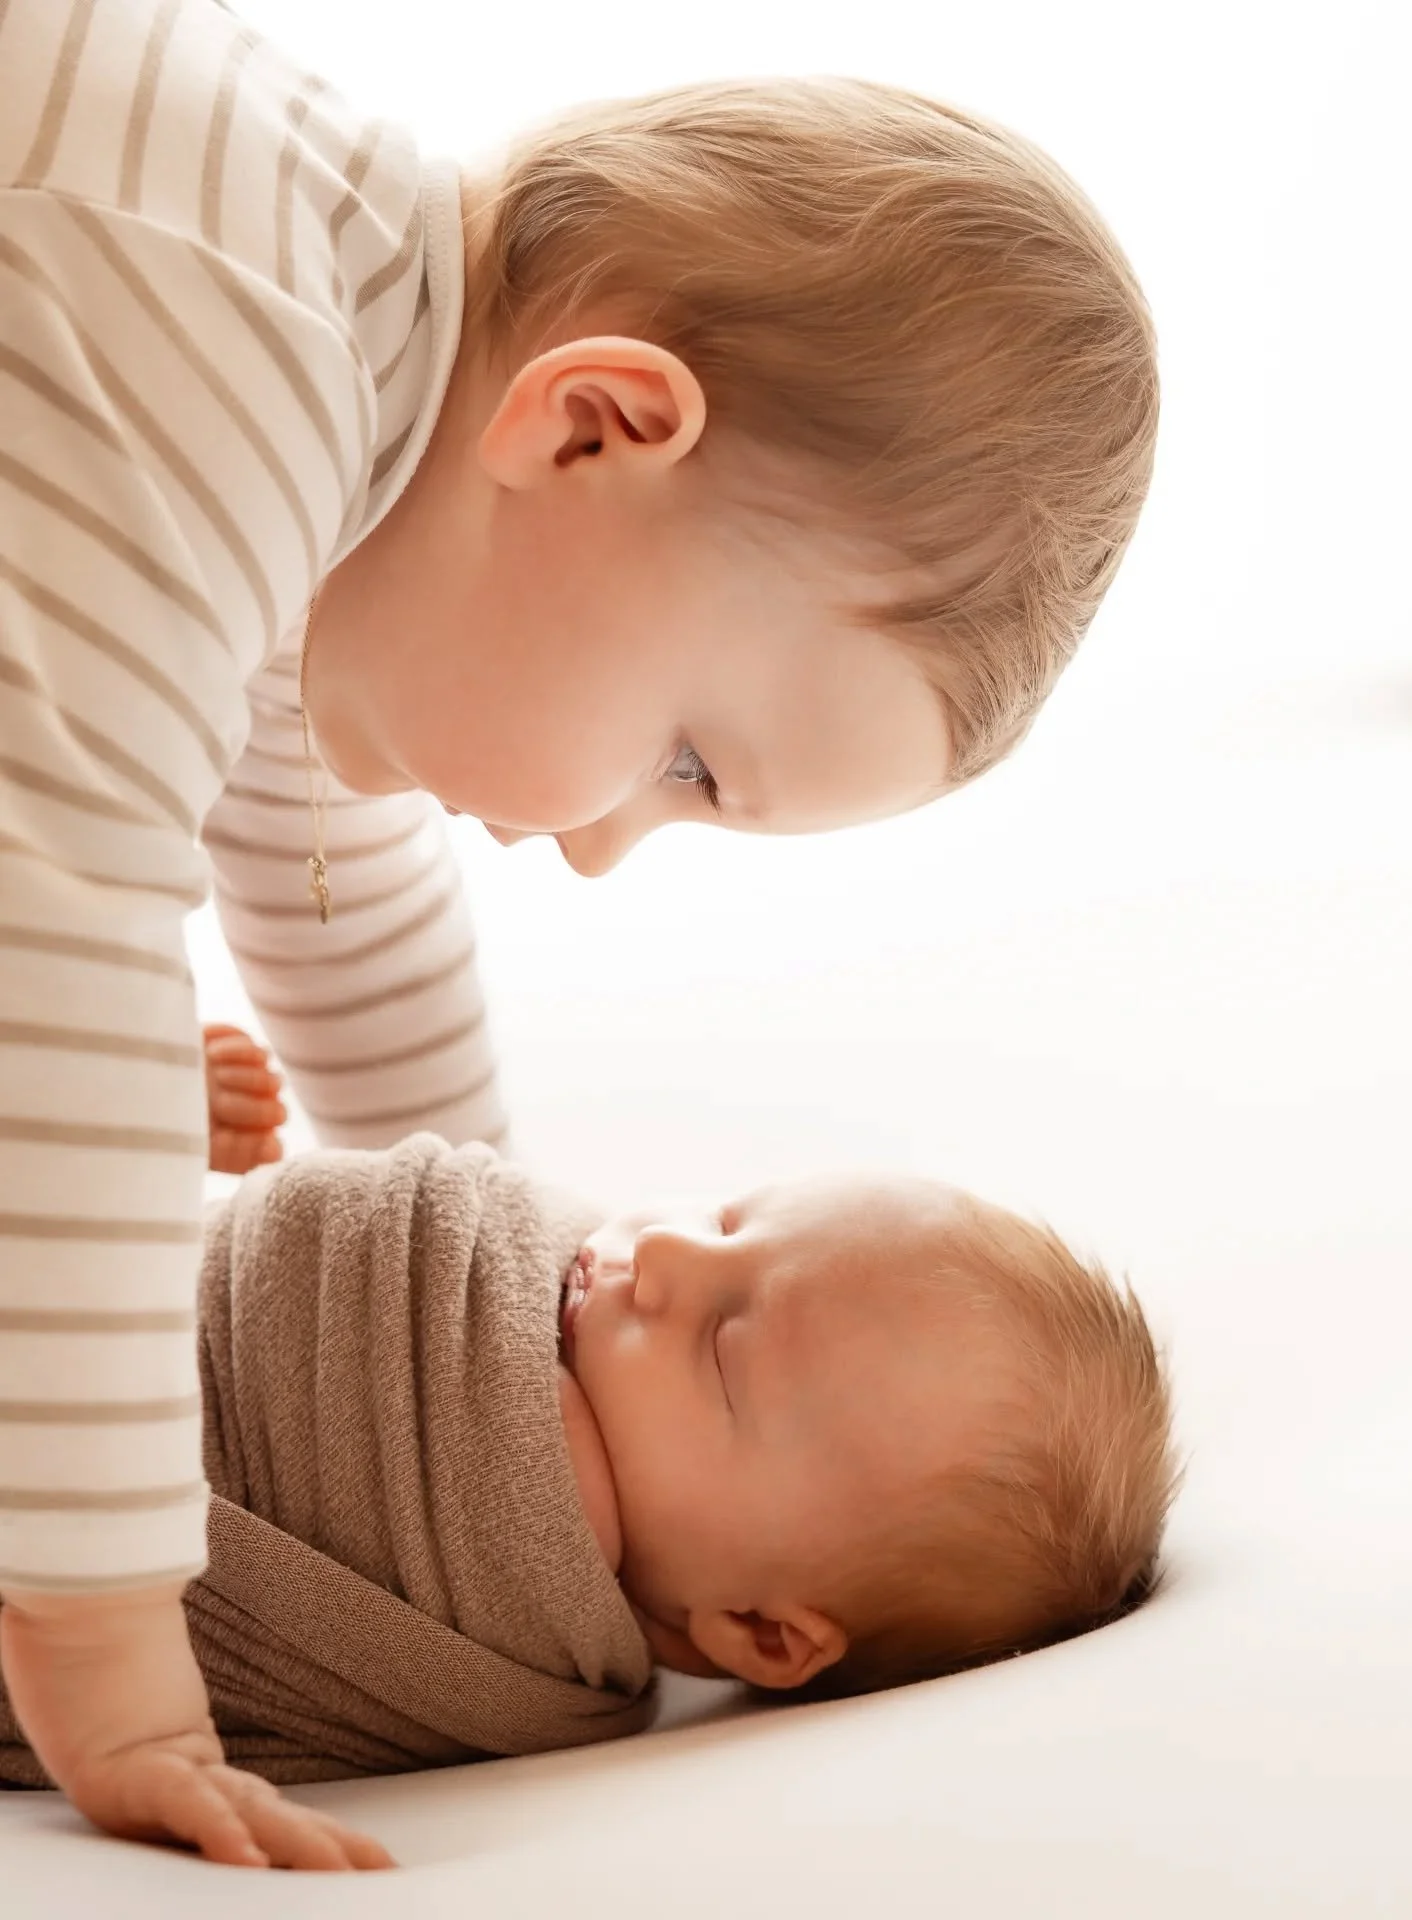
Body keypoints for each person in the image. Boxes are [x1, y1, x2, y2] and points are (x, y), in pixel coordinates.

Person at [0, 0, 1159, 1869]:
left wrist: (445, 1209)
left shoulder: (329, 338)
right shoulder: (210, 345)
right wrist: (106, 1627)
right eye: (692, 759)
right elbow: (41, 947)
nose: (610, 849)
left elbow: (324, 844)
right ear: (596, 424)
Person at [1, 1033, 1180, 1791]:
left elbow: (293, 1384)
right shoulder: (578, 1311)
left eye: (722, 1348)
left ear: (762, 1633)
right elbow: (319, 1263)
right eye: (729, 1218)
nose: (658, 1250)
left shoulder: (525, 1540)